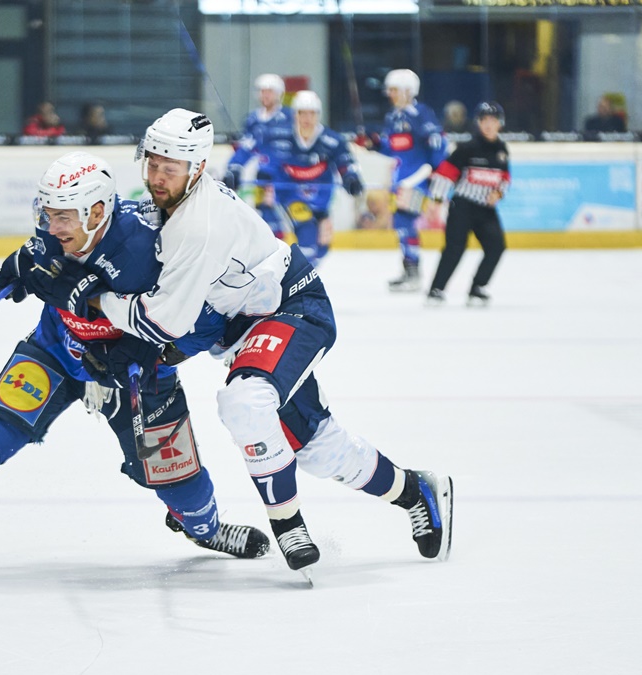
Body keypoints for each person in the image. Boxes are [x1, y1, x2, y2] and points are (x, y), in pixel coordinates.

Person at [29, 109, 454, 577]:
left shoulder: (198, 226)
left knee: (244, 400)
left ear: (198, 167)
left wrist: (89, 296)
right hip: (244, 331)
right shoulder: (169, 206)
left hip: (290, 309)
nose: (156, 177)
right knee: (319, 449)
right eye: (151, 163)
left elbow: (162, 324)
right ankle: (418, 491)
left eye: (169, 168)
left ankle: (287, 524)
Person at [0, 152, 269, 577]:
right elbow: (39, 258)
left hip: (137, 374)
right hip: (57, 351)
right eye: (46, 214)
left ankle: (204, 529)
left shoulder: (153, 249)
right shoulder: (52, 231)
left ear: (97, 212)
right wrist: (22, 263)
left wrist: (156, 352)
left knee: (176, 481)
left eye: (63, 218)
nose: (50, 227)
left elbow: (206, 322)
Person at [255, 90, 364, 267]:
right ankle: (299, 285)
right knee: (307, 234)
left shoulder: (332, 140)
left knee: (322, 247)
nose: (307, 118)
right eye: (301, 113)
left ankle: (300, 278)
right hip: (291, 198)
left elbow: (346, 163)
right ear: (294, 115)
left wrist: (351, 178)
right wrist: (262, 173)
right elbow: (268, 161)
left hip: (321, 203)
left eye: (312, 113)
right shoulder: (281, 137)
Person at [366, 69, 448, 293]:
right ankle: (409, 270)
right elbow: (392, 148)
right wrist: (373, 144)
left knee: (404, 222)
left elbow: (437, 147)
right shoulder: (393, 116)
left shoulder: (420, 114)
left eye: (394, 90)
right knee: (402, 225)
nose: (390, 94)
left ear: (408, 91)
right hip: (401, 181)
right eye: (390, 90)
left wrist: (434, 176)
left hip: (418, 180)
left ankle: (413, 272)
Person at [424, 102, 510, 308]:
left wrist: (498, 192)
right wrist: (436, 200)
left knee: (497, 246)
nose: (489, 125)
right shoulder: (467, 148)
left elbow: (505, 177)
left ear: (500, 124)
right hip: (462, 206)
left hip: (485, 209)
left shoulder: (501, 150)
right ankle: (436, 289)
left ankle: (477, 287)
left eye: (493, 121)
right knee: (455, 248)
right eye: (484, 121)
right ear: (478, 123)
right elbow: (445, 175)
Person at [221, 73, 293, 238]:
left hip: (287, 177)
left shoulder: (289, 118)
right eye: (262, 91)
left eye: (270, 91)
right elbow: (247, 147)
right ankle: (277, 248)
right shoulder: (253, 119)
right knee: (266, 215)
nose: (265, 95)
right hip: (264, 177)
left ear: (279, 93)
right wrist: (234, 168)